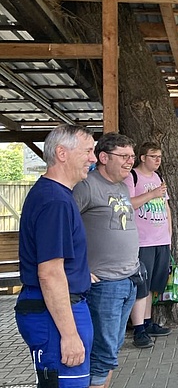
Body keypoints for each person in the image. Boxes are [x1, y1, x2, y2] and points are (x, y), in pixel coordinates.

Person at [15, 125, 96, 388]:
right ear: (62, 153)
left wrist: (81, 274)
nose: (93, 158)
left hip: (60, 307)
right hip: (55, 313)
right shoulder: (55, 201)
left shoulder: (57, 195)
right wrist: (70, 334)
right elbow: (49, 272)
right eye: (88, 151)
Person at [73, 132, 142, 388]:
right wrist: (77, 268)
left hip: (129, 279)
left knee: (111, 353)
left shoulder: (122, 186)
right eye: (124, 156)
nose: (129, 162)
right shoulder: (86, 186)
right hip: (103, 285)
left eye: (132, 157)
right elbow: (63, 228)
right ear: (103, 157)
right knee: (102, 356)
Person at [123, 142, 172, 348]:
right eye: (153, 156)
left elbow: (166, 205)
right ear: (142, 158)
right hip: (142, 240)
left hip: (161, 238)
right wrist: (151, 194)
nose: (158, 160)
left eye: (160, 156)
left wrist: (169, 234)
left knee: (153, 285)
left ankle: (148, 321)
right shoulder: (132, 177)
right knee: (140, 285)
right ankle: (138, 329)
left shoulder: (158, 178)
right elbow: (127, 204)